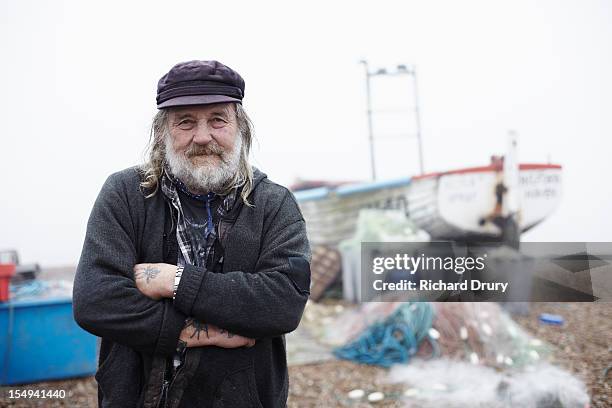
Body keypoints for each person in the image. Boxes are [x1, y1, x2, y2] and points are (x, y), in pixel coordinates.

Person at [73, 60, 311, 408]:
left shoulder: (274, 204)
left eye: (217, 119)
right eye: (185, 122)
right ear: (162, 132)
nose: (202, 136)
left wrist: (175, 280)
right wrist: (203, 333)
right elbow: (95, 300)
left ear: (240, 127)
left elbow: (283, 303)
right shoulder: (126, 193)